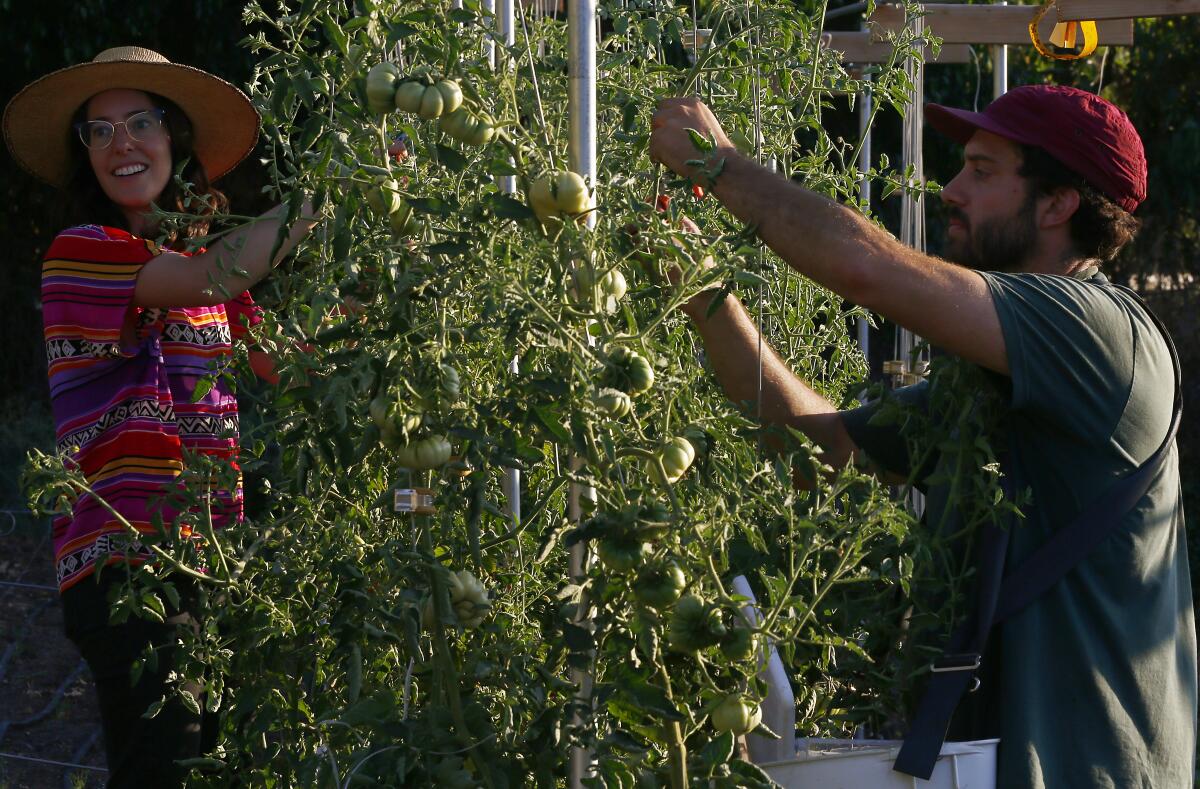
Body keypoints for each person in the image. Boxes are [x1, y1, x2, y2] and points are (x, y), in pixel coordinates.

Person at [649, 85, 1195, 787]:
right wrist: (705, 292)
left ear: (1059, 204)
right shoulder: (995, 374)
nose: (952, 188)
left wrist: (720, 163)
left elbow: (865, 269)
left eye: (983, 170)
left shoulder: (1100, 332)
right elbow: (821, 452)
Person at [3, 47, 317, 787]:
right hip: (130, 570)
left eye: (140, 122)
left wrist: (382, 267)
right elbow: (211, 272)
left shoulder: (204, 269)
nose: (122, 144)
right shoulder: (82, 254)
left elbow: (294, 367)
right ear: (85, 158)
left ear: (175, 141)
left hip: (208, 564)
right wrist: (321, 198)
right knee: (167, 771)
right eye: (100, 131)